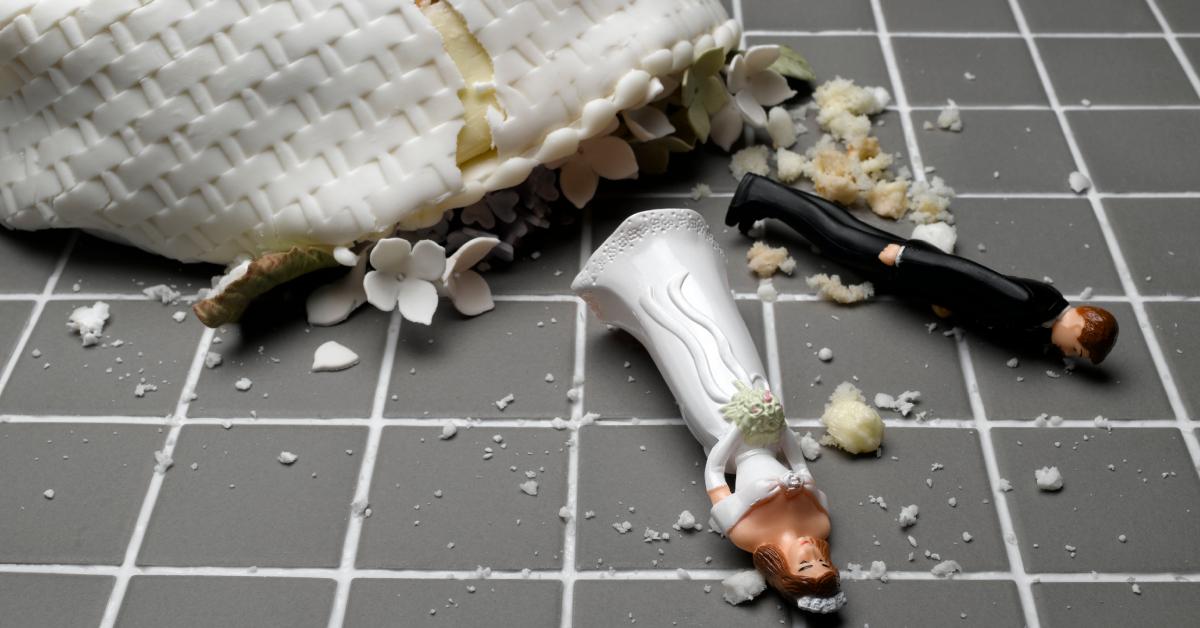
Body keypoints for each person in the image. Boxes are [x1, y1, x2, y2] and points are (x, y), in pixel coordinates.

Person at [726, 174, 1119, 364]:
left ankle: (760, 198)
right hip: (906, 263)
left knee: (840, 236)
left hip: (914, 275)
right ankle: (758, 195)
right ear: (1081, 326)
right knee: (836, 237)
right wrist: (903, 257)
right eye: (1080, 349)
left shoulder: (1046, 312)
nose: (1074, 354)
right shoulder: (1031, 303)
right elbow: (965, 274)